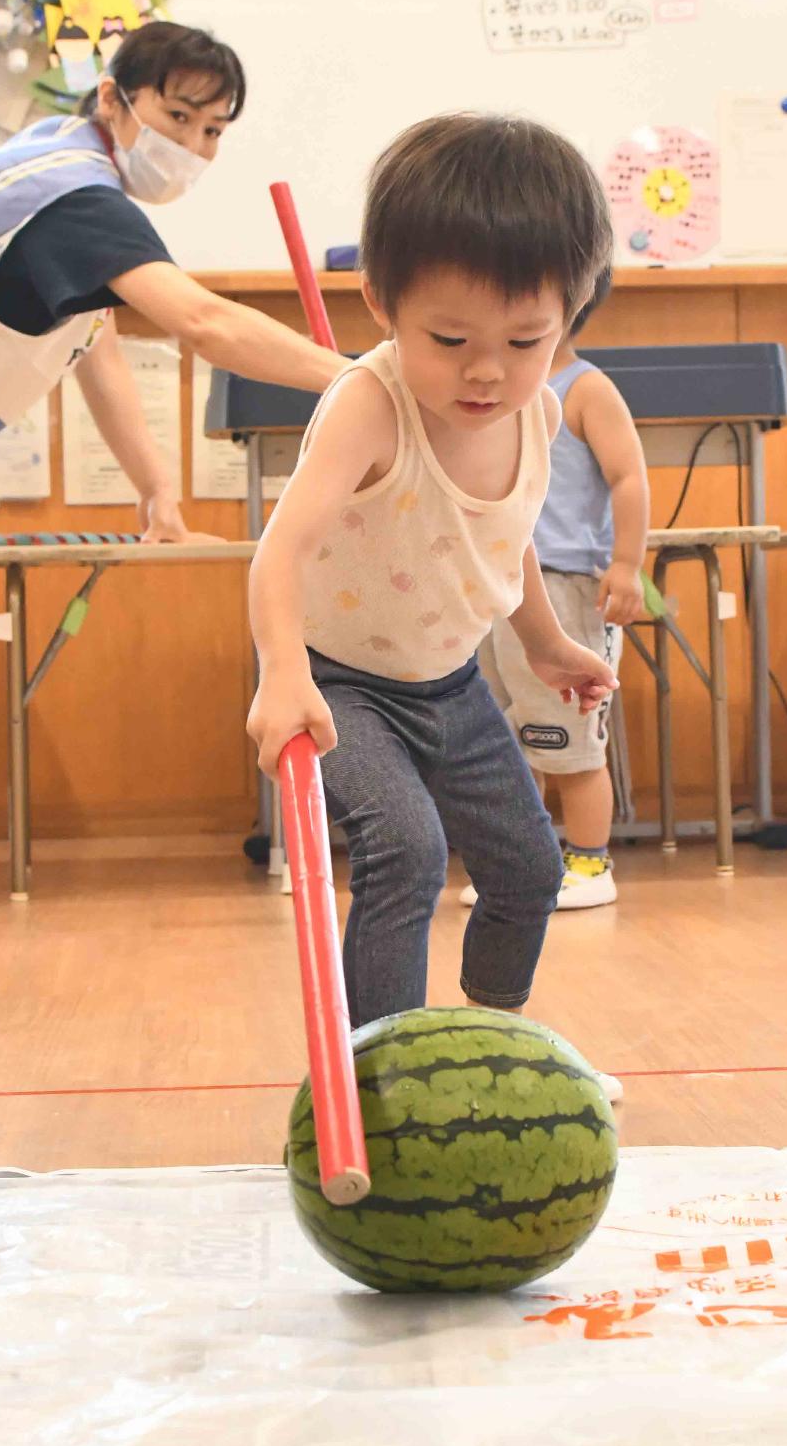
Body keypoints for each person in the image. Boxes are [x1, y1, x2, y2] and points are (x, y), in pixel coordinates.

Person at [0, 21, 345, 916]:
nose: (193, 149)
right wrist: (366, 381)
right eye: (177, 118)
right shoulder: (76, 195)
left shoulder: (56, 164)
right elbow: (203, 324)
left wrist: (157, 490)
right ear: (112, 99)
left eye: (212, 133)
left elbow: (95, 349)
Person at [246, 112, 618, 1039]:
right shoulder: (370, 406)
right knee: (405, 854)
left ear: (567, 316)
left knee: (530, 870)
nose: (486, 372)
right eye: (449, 340)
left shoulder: (537, 411)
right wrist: (282, 674)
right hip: (342, 685)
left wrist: (547, 641)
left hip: (449, 683)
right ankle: (384, 1065)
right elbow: (277, 550)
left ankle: (493, 1045)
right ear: (381, 302)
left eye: (525, 341)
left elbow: (501, 537)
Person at [465, 266, 649, 910]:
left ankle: (590, 863)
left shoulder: (586, 389)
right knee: (511, 737)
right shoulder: (490, 391)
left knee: (568, 737)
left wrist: (626, 565)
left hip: (567, 586)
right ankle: (527, 864)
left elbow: (628, 477)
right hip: (496, 585)